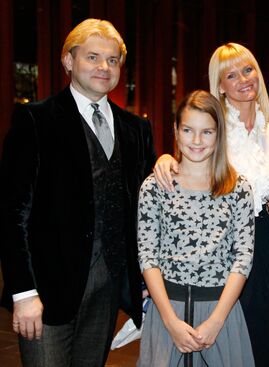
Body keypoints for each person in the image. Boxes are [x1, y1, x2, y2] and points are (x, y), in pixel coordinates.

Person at [0, 19, 156, 366]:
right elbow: (13, 215)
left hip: (108, 290)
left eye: (113, 60)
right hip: (46, 294)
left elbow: (146, 213)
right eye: (93, 57)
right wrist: (24, 293)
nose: (104, 67)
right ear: (69, 61)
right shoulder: (35, 120)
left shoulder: (136, 129)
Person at [153, 43, 269, 366]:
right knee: (219, 345)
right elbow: (187, 163)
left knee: (261, 345)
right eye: (231, 74)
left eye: (248, 69)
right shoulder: (213, 131)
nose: (243, 79)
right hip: (218, 248)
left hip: (262, 247)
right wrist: (164, 159)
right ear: (220, 86)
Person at [136, 90, 255, 367]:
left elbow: (243, 258)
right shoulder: (155, 187)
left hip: (220, 311)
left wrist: (216, 321)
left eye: (207, 132)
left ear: (219, 135)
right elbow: (147, 255)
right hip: (168, 311)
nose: (197, 141)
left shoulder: (238, 189)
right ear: (176, 131)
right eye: (188, 130)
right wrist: (170, 321)